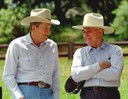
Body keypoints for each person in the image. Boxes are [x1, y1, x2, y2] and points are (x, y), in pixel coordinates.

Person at [2, 8, 60, 99]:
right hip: (25, 94)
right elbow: (8, 75)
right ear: (34, 28)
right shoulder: (16, 45)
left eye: (50, 28)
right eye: (46, 28)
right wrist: (19, 96)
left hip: (48, 94)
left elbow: (55, 76)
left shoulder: (53, 46)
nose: (49, 31)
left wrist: (56, 97)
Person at [71, 13, 124, 99]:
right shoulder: (80, 52)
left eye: (89, 31)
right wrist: (99, 66)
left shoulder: (115, 50)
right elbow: (76, 76)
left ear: (100, 32)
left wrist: (87, 73)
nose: (85, 35)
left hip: (110, 95)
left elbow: (115, 74)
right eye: (84, 32)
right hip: (87, 95)